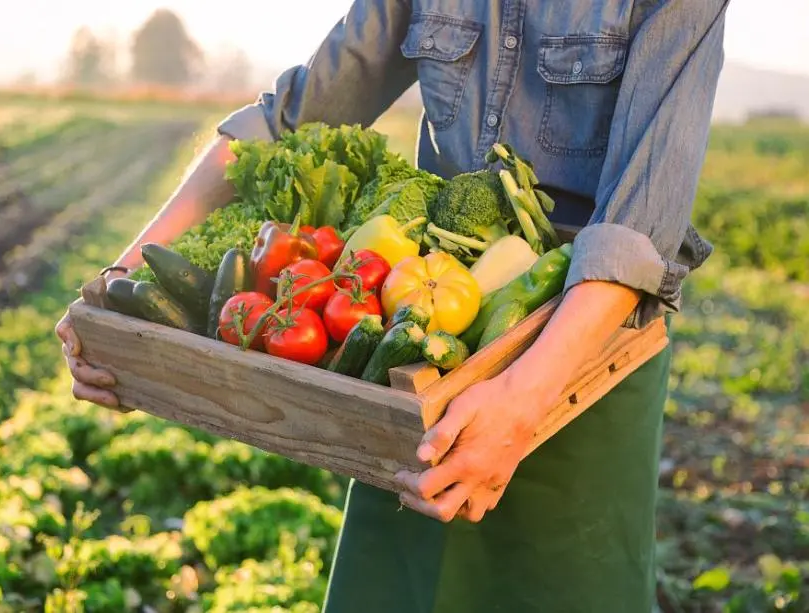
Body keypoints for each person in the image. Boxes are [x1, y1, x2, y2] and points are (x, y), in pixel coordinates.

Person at [56, 0, 730, 610]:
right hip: (423, 358)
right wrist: (117, 282)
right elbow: (287, 120)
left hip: (582, 354)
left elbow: (637, 226)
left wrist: (521, 405)